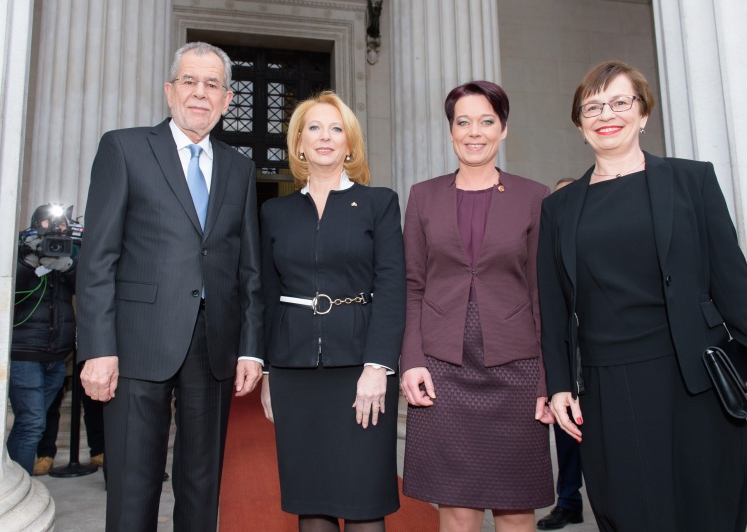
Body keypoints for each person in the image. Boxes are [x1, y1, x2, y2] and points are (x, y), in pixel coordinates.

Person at [538, 60, 747, 531]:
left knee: (708, 508)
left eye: (620, 102)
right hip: (609, 385)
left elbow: (731, 277)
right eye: (591, 106)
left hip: (694, 375)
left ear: (643, 114)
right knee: (631, 511)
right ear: (579, 124)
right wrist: (559, 385)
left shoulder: (691, 181)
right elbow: (553, 307)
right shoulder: (559, 207)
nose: (605, 114)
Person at [76, 41, 263, 531]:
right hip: (136, 345)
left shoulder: (240, 168)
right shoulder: (124, 148)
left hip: (213, 348)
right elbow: (97, 259)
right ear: (169, 91)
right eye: (189, 82)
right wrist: (97, 348)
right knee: (133, 486)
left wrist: (251, 349)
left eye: (213, 85)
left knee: (202, 488)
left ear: (227, 100)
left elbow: (249, 270)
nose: (200, 94)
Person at [400, 80, 554, 531]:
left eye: (486, 121)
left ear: (503, 129)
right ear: (450, 131)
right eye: (463, 122)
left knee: (516, 511)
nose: (474, 132)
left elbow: (542, 293)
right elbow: (412, 286)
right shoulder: (423, 196)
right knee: (457, 511)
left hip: (517, 371)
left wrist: (549, 378)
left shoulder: (534, 196)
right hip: (442, 369)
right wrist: (411, 361)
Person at [259, 91, 406, 532]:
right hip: (294, 370)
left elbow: (392, 287)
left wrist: (378, 367)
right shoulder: (274, 211)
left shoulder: (379, 203)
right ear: (299, 144)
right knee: (313, 501)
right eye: (315, 128)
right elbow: (266, 295)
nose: (326, 137)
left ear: (350, 145)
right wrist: (268, 373)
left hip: (361, 369)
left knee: (364, 502)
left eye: (337, 128)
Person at [8, 204, 78, 475]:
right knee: (32, 422)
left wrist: (69, 266)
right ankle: (20, 486)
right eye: (49, 222)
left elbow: (88, 285)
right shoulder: (19, 251)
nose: (56, 229)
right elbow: (9, 290)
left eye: (61, 224)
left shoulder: (71, 253)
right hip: (25, 353)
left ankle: (14, 476)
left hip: (57, 356)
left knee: (32, 421)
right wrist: (28, 261)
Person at [536, 178, 584, 532]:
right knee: (567, 437)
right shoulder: (548, 239)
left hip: (601, 353)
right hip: (565, 355)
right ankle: (569, 502)